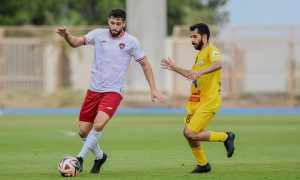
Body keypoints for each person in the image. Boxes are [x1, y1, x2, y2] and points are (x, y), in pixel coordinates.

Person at [56, 8, 167, 174]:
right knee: (82, 131)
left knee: (99, 124)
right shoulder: (98, 35)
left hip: (114, 91)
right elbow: (75, 42)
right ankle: (100, 157)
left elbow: (145, 64)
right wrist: (66, 36)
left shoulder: (132, 42)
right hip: (94, 90)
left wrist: (154, 89)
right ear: (109, 21)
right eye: (112, 23)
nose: (114, 26)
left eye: (118, 23)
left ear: (124, 24)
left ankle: (79, 159)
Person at [161, 23, 235, 173]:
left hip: (209, 101)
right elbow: (192, 75)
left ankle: (226, 137)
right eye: (191, 37)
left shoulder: (212, 51)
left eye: (195, 37)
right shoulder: (198, 56)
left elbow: (218, 64)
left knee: (190, 133)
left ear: (205, 37)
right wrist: (174, 68)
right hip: (196, 101)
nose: (192, 40)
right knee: (188, 134)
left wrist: (200, 73)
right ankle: (203, 165)